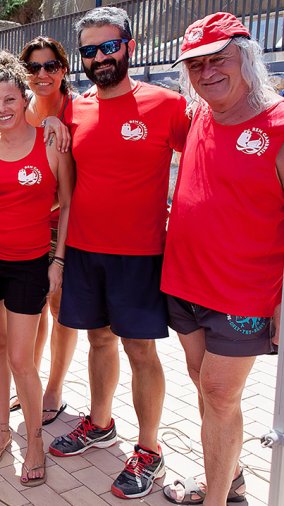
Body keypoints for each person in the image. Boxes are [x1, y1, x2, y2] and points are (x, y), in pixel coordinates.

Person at [49, 7, 190, 499]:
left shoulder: (167, 104)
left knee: (140, 351)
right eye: (89, 50)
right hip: (86, 250)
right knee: (99, 342)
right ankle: (102, 423)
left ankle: (149, 449)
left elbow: (206, 155)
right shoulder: (75, 108)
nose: (100, 57)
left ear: (128, 46)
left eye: (108, 47)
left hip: (140, 254)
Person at [161, 12, 283, 504]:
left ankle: (216, 500)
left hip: (243, 293)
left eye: (219, 59)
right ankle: (228, 480)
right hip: (185, 283)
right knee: (205, 387)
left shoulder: (278, 124)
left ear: (247, 57)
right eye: (195, 65)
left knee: (218, 391)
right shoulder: (199, 116)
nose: (207, 72)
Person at [0, 51, 73, 484]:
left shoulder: (50, 141)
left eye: (10, 100)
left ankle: (34, 441)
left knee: (21, 360)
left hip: (29, 263)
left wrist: (58, 259)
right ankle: (2, 429)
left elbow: (69, 206)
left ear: (24, 98)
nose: (2, 109)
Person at [9, 36, 78, 425]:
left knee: (60, 309)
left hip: (67, 225)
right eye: (33, 68)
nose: (42, 74)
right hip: (30, 225)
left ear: (63, 69)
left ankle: (53, 387)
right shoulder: (22, 110)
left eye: (50, 66)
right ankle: (28, 380)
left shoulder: (78, 108)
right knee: (28, 307)